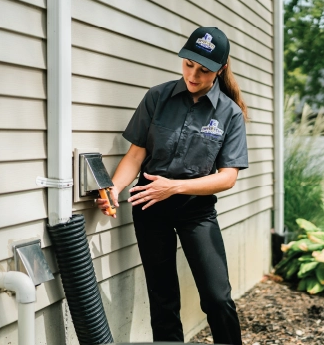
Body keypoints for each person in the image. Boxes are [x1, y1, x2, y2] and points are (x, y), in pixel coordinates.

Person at [96, 26, 248, 344]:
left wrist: (175, 187)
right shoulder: (158, 97)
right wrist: (115, 188)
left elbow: (228, 176)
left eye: (203, 70)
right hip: (150, 204)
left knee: (217, 297)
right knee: (163, 299)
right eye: (188, 64)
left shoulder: (229, 113)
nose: (193, 74)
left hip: (196, 210)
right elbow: (136, 155)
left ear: (220, 69)